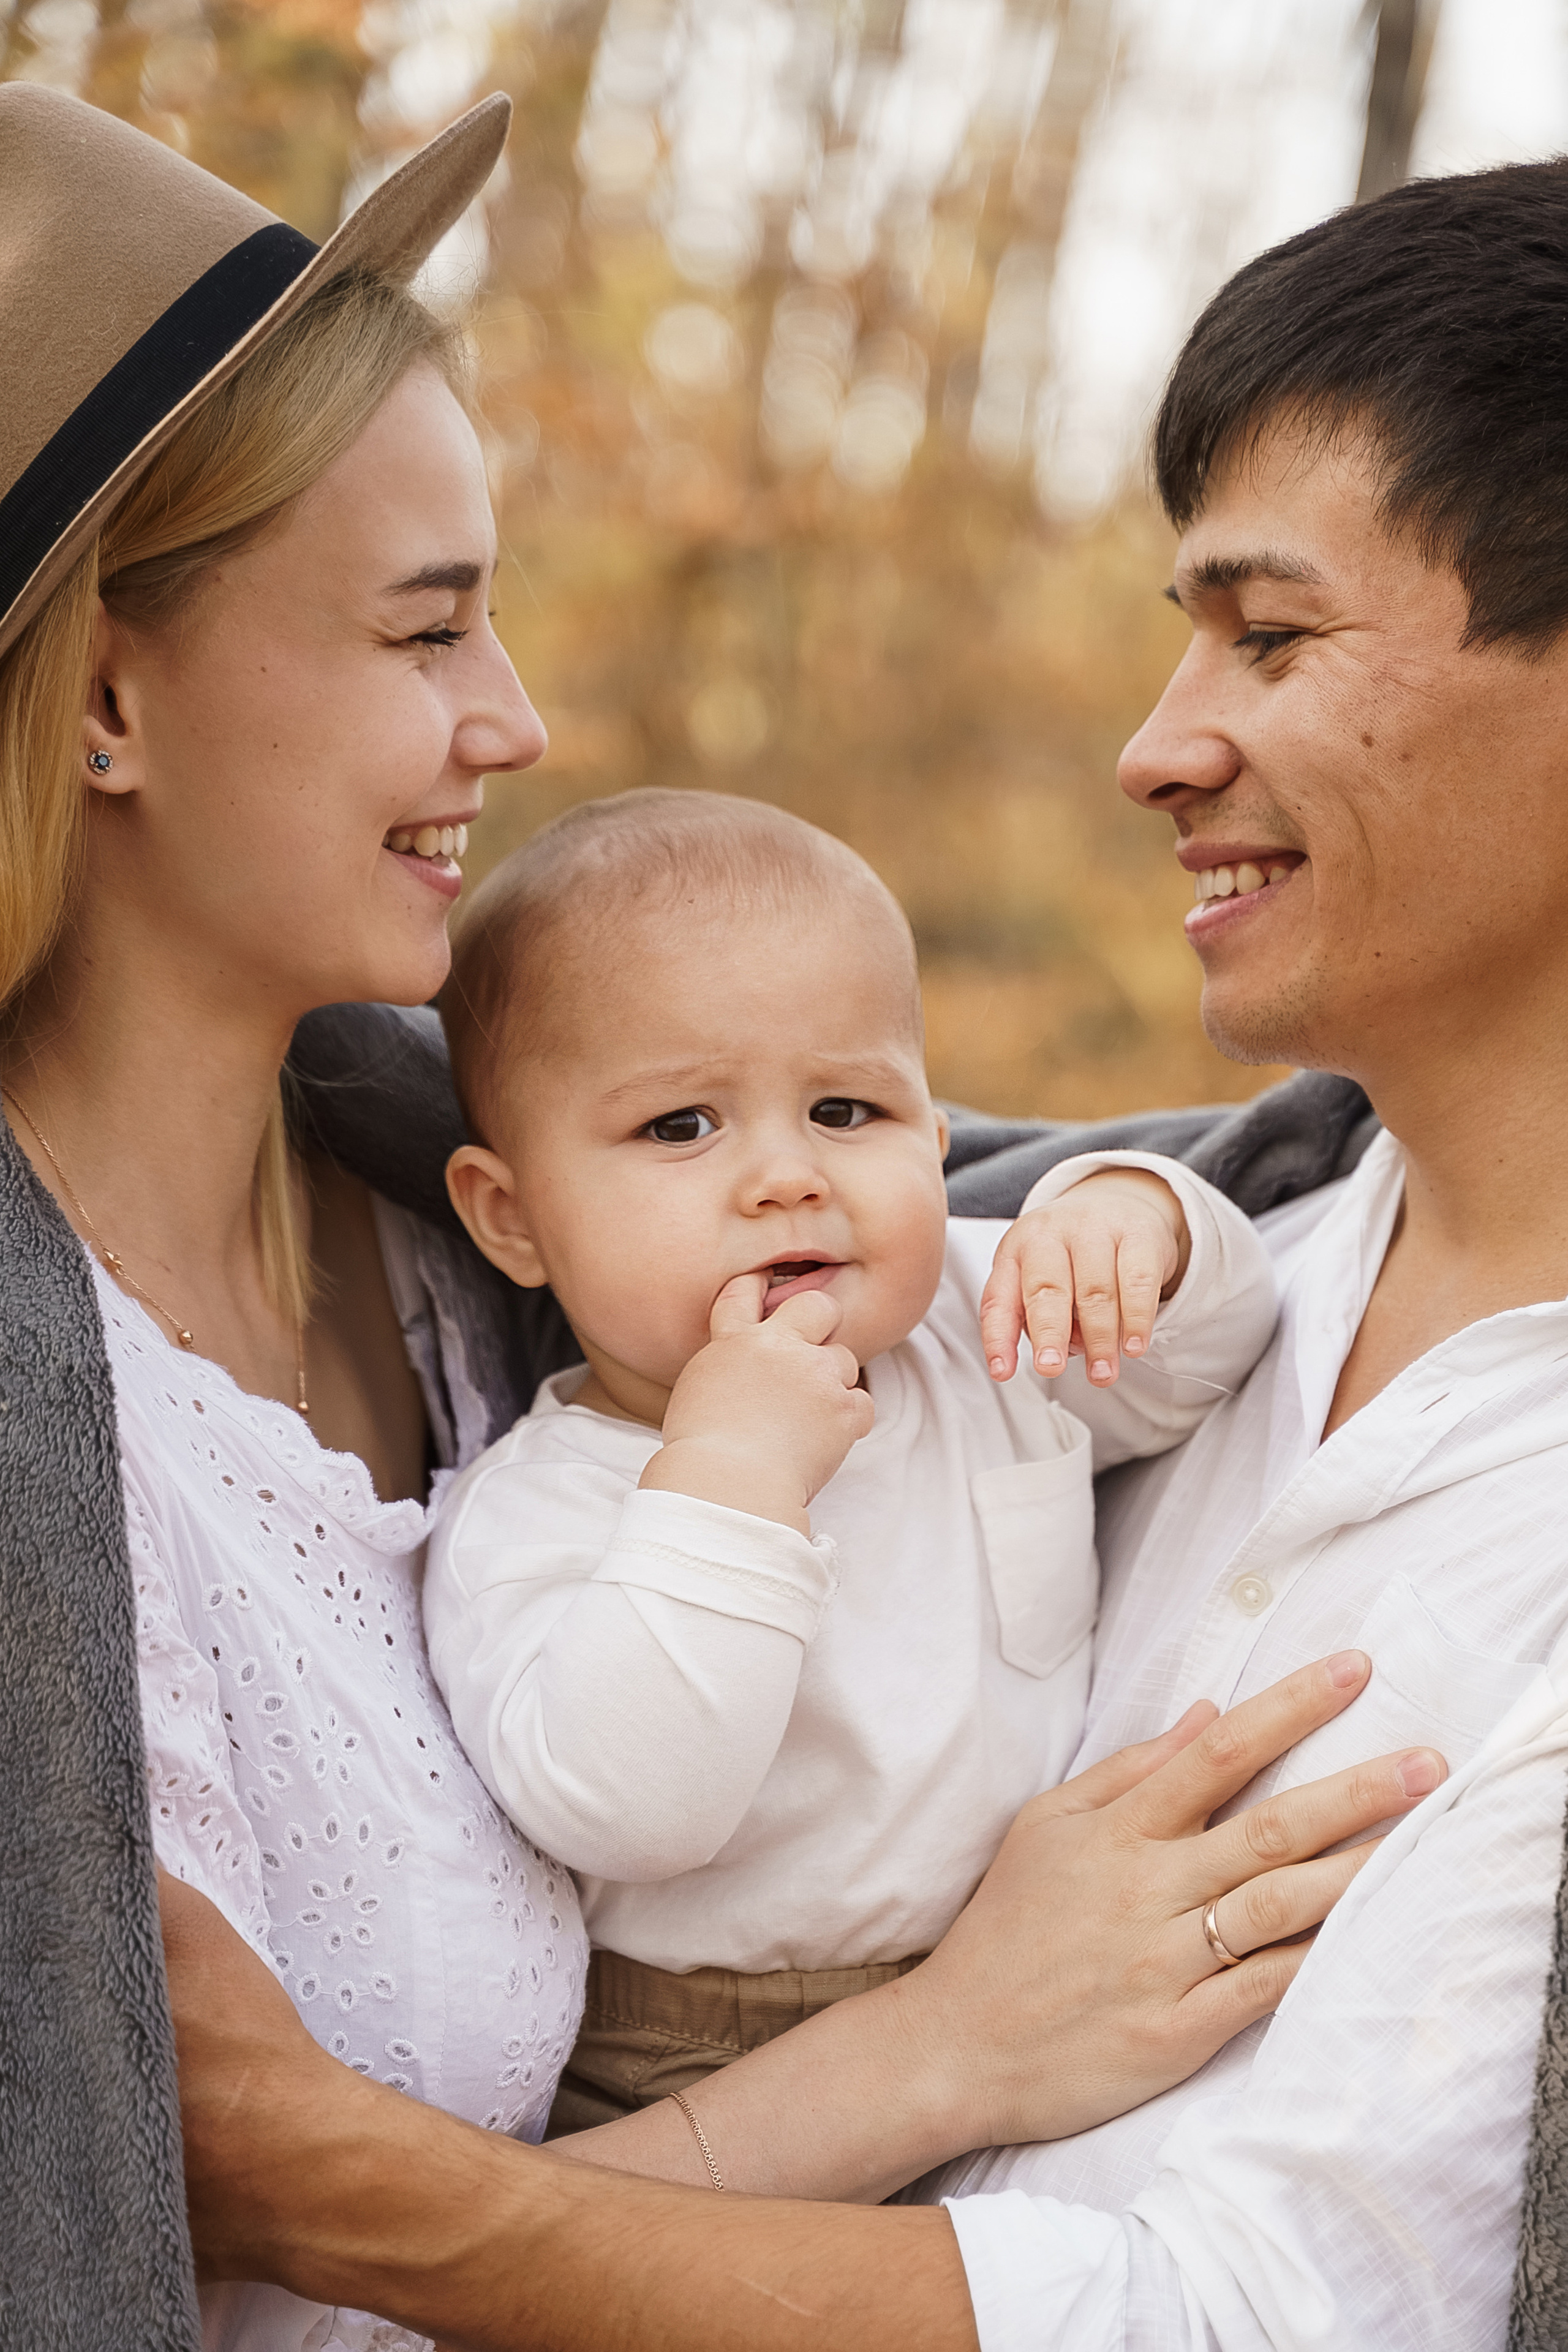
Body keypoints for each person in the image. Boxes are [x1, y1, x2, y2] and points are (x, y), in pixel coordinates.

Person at [0, 83, 1430, 2352]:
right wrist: (948, 2046)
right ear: (103, 698)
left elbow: (1019, 1196)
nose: (514, 717)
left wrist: (1221, 1172)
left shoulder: (448, 1224)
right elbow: (190, 2242)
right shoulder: (55, 1470)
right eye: (426, 633)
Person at [423, 789, 1277, 2130]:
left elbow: (1212, 1358)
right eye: (680, 1126)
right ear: (512, 1217)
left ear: (933, 1146)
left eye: (844, 1108)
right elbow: (630, 1810)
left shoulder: (979, 1331)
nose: (786, 1175)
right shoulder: (531, 1513)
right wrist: (732, 1470)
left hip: (1036, 1965)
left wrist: (1134, 1219)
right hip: (683, 2056)